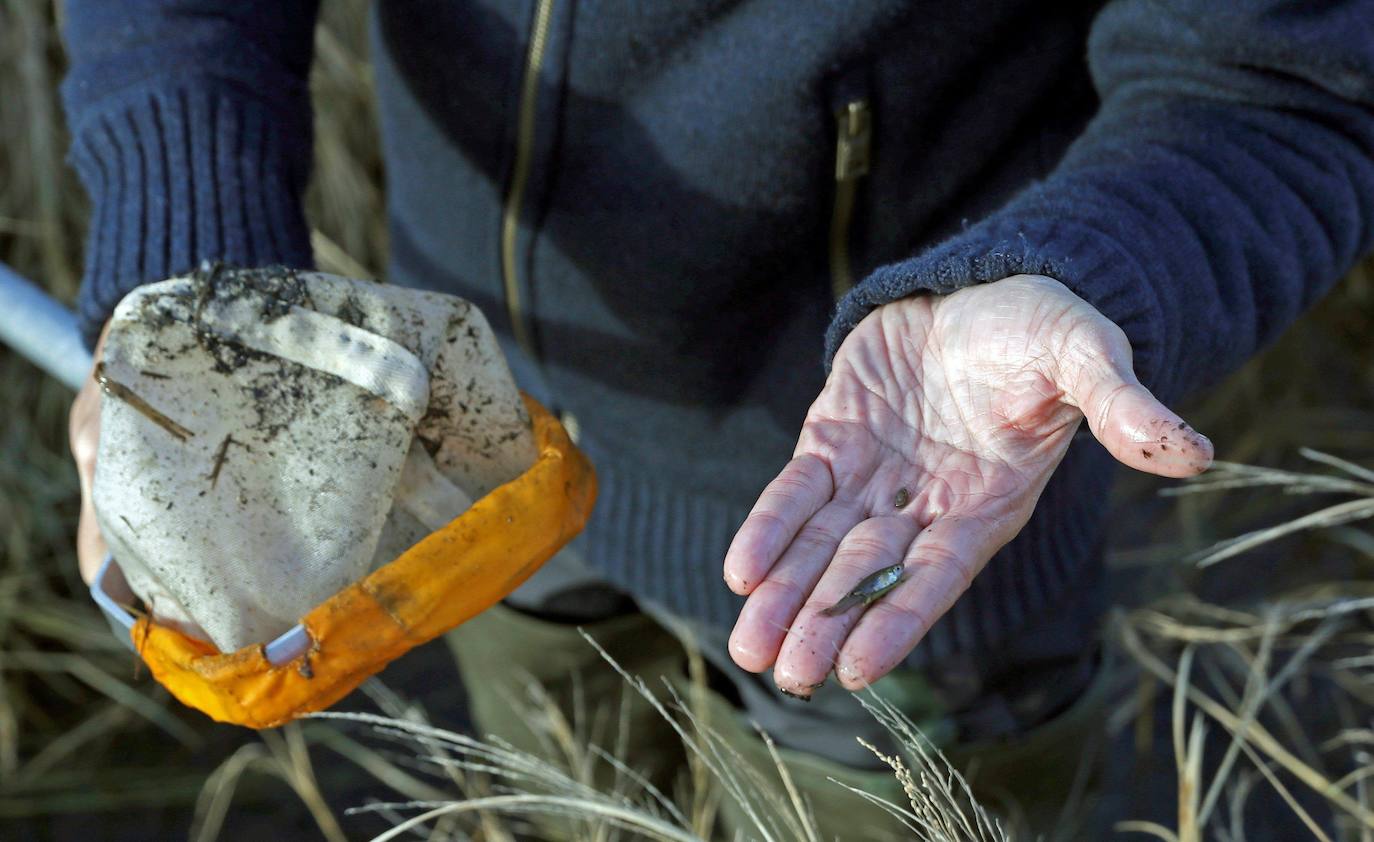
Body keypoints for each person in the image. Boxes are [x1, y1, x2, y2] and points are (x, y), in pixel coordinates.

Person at [62, 0, 1374, 836]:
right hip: (465, 457)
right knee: (567, 799)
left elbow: (1288, 86)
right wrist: (188, 290)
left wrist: (1080, 264)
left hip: (902, 510)